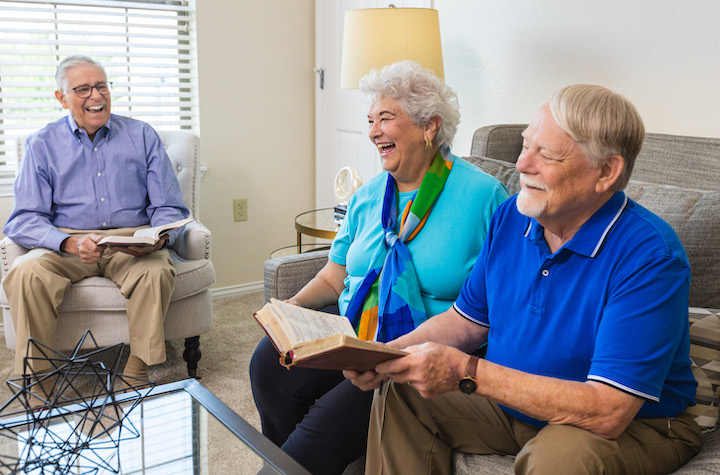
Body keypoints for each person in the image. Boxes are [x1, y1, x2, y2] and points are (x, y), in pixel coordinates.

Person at [346, 84, 704, 475]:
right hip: (515, 407)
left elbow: (609, 410)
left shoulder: (650, 257)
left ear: (607, 172)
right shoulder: (512, 218)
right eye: (525, 145)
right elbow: (465, 321)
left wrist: (468, 372)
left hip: (634, 426)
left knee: (557, 460)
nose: (521, 165)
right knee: (403, 391)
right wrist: (386, 356)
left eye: (546, 154)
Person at [250, 60, 509, 475]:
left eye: (385, 119)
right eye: (371, 120)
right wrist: (292, 309)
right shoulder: (368, 197)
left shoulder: (484, 197)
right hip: (355, 328)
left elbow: (499, 304)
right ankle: (295, 460)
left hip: (418, 346)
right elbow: (336, 275)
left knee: (330, 421)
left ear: (430, 127)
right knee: (269, 362)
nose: (373, 132)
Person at [2, 55, 189, 393]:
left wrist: (158, 237)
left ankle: (137, 369)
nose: (96, 96)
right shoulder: (41, 144)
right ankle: (39, 380)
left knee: (156, 271)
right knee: (26, 272)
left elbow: (169, 206)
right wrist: (67, 243)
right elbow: (24, 219)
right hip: (67, 243)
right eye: (83, 89)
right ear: (62, 98)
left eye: (101, 86)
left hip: (131, 240)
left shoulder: (142, 135)